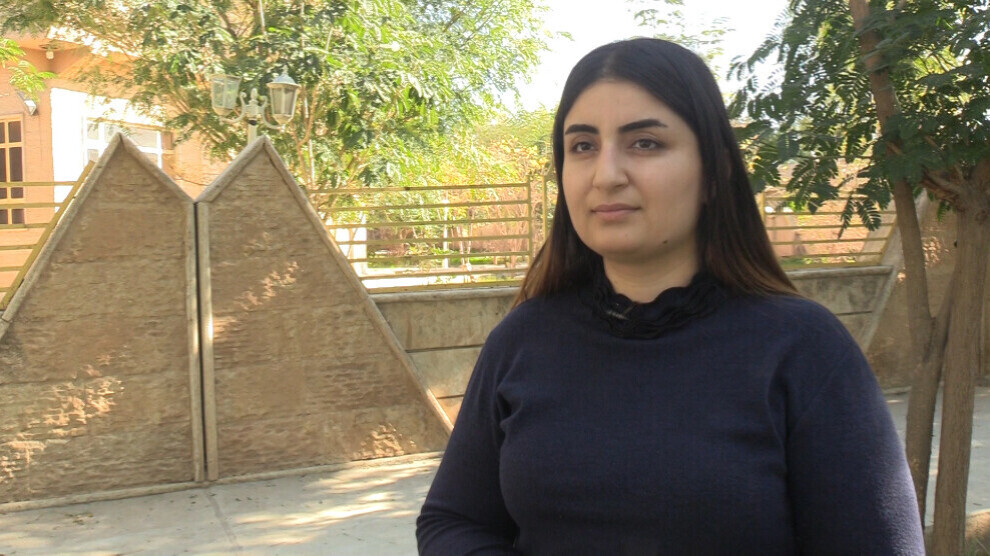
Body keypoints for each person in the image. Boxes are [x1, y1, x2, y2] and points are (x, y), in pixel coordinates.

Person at [416, 38, 925, 555]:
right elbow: (453, 520)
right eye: (583, 146)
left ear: (715, 173)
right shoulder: (523, 339)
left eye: (645, 143)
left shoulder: (803, 348)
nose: (606, 176)